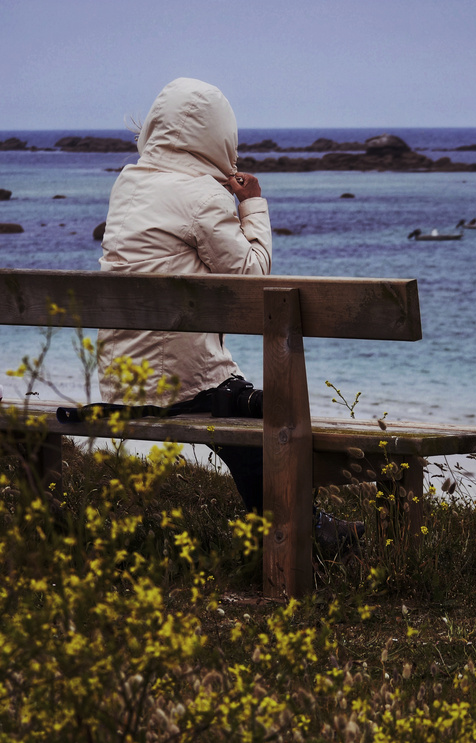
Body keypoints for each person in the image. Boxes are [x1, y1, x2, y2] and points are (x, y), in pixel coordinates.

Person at [98, 77, 362, 546]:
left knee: (248, 408)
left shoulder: (129, 183)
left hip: (122, 377)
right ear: (220, 137)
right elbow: (253, 275)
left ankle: (301, 526)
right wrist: (252, 203)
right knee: (262, 415)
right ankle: (303, 532)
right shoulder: (201, 196)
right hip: (173, 384)